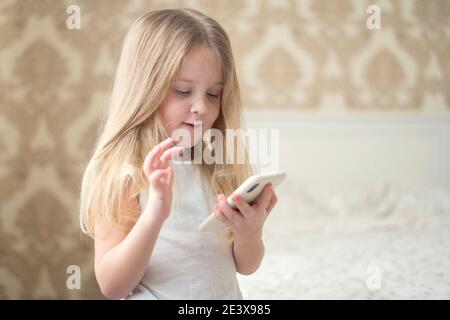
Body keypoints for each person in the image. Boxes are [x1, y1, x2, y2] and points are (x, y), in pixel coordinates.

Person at [79, 8, 278, 300]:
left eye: (213, 94)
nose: (202, 107)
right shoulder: (123, 170)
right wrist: (155, 214)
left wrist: (250, 233)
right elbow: (113, 286)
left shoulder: (216, 164)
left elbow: (245, 267)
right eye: (183, 91)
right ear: (144, 89)